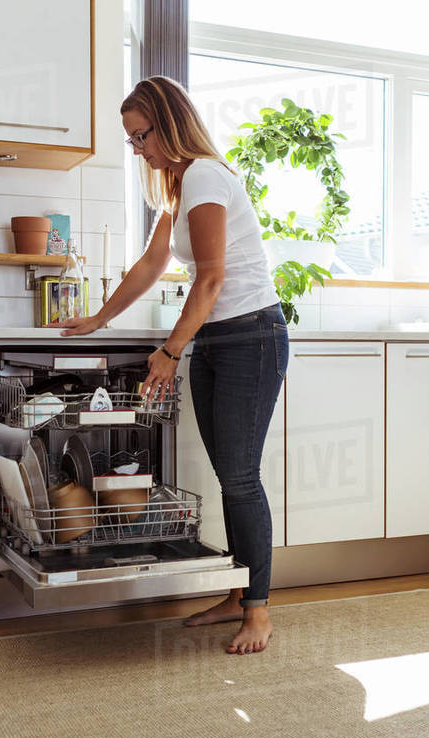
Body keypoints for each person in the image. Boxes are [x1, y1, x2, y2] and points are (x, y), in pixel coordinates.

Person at [56, 76, 288, 655]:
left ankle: (257, 610)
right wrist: (99, 319)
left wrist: (170, 350)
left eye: (141, 136)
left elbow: (211, 277)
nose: (138, 148)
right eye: (131, 140)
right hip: (217, 339)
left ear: (169, 122)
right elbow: (151, 263)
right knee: (230, 475)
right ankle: (238, 595)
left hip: (250, 337)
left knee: (240, 478)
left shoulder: (207, 175)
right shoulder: (181, 188)